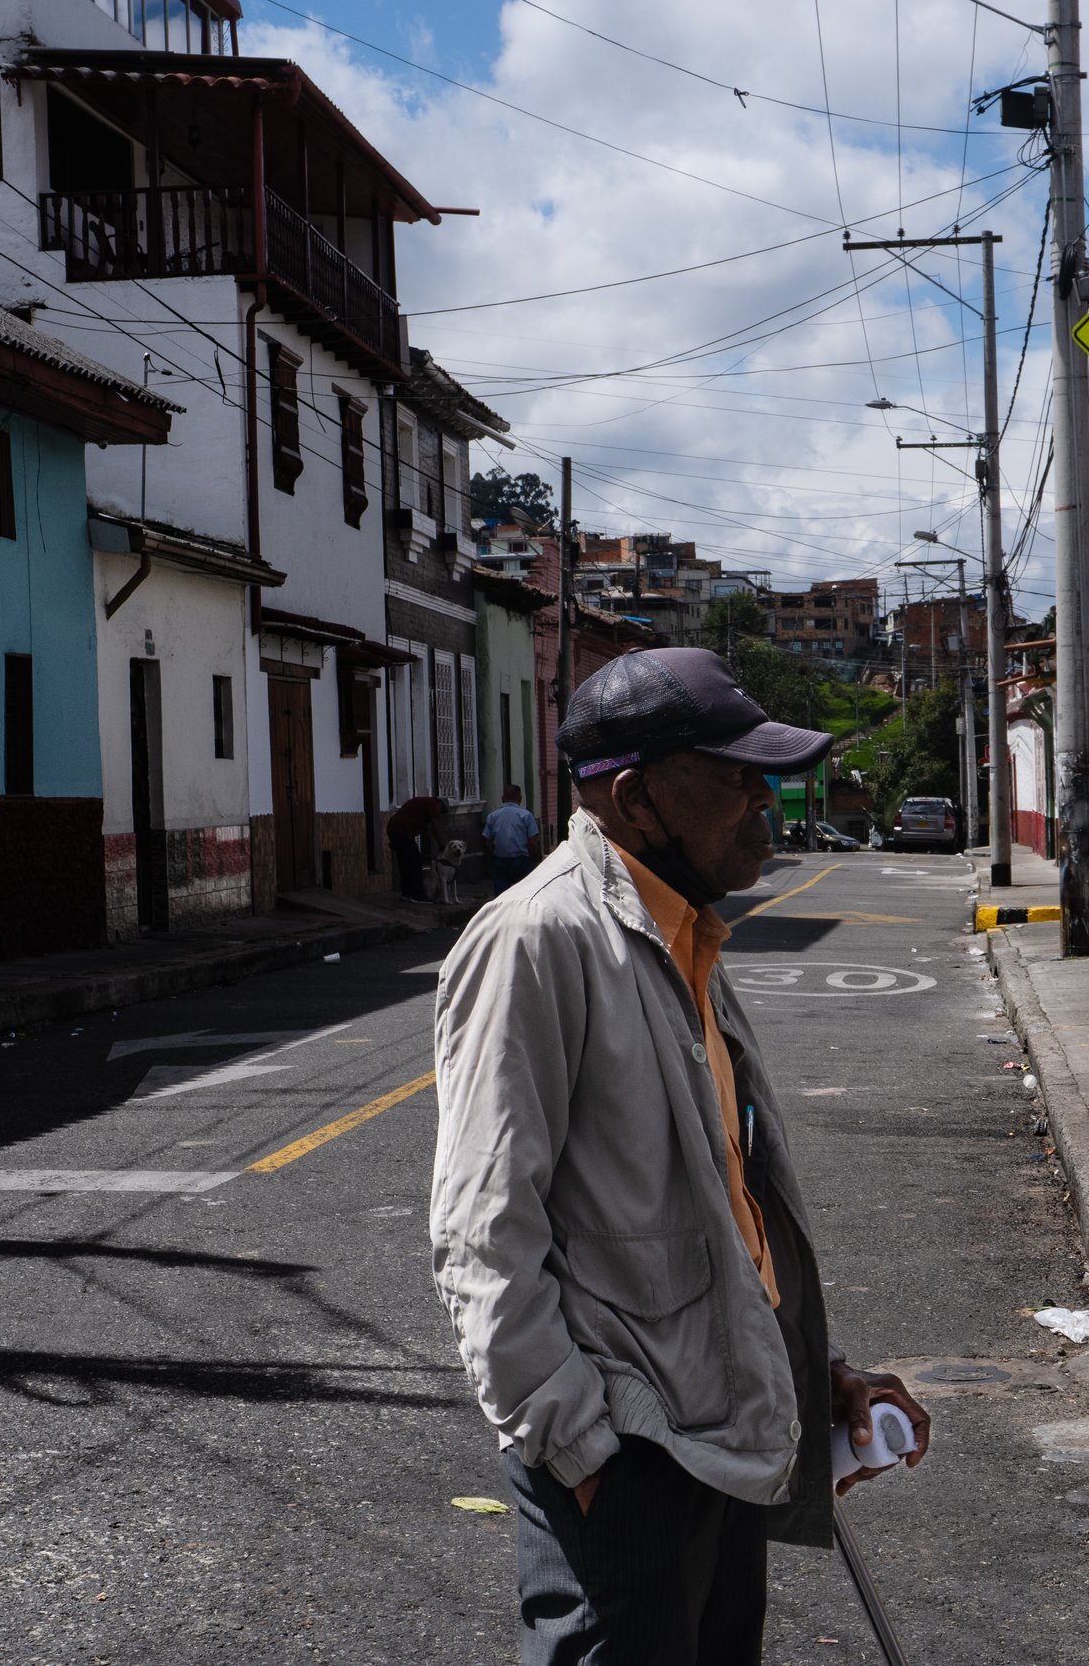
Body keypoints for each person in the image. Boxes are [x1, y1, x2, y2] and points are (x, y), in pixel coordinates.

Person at [431, 647, 927, 1666]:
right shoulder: (538, 937)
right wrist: (581, 1450)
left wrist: (810, 1366)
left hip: (717, 1437)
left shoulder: (685, 933)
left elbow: (717, 1205)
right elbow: (483, 1234)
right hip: (625, 1453)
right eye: (735, 772)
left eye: (765, 774)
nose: (765, 797)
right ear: (634, 795)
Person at [482, 783, 543, 894]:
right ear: (520, 798)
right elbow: (532, 842)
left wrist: (492, 859)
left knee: (501, 896)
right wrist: (533, 859)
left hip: (500, 861)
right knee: (524, 894)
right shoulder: (526, 816)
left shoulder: (492, 816)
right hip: (521, 861)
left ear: (502, 798)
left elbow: (487, 843)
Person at [387, 792, 446, 900]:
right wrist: (441, 844)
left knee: (405, 862)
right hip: (401, 830)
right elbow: (435, 826)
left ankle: (406, 893)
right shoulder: (432, 804)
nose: (439, 814)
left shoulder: (424, 804)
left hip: (395, 828)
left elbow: (425, 831)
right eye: (441, 811)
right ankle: (417, 894)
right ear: (440, 804)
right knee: (414, 861)